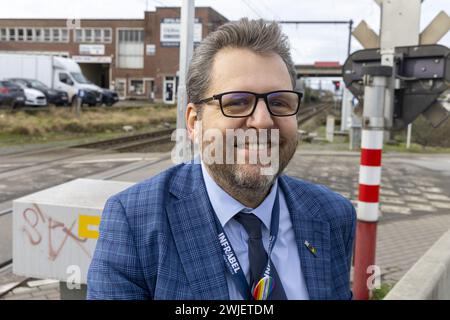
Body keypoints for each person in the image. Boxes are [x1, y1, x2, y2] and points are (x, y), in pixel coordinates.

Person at [87, 18, 356, 300]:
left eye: (279, 102)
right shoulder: (135, 221)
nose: (263, 122)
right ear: (194, 122)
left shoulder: (332, 215)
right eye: (238, 102)